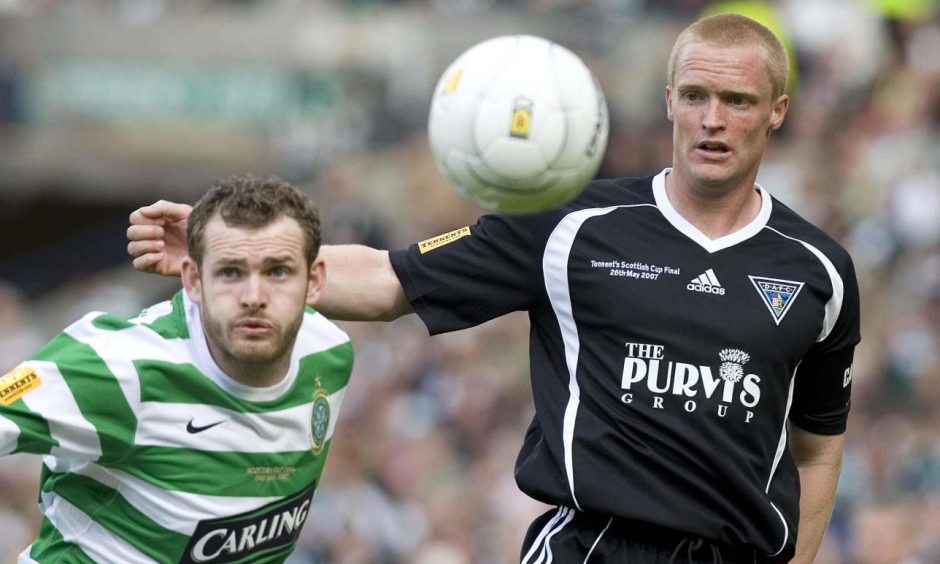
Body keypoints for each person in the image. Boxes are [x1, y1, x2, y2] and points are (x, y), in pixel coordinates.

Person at [127, 13, 860, 564]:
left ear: (778, 112)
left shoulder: (818, 272)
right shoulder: (576, 226)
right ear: (668, 102)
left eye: (735, 100)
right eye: (695, 95)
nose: (711, 120)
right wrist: (230, 246)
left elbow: (817, 451)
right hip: (590, 546)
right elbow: (388, 280)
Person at [4, 175, 353, 563]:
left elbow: (411, 274)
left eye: (277, 272)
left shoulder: (329, 352)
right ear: (192, 279)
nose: (254, 298)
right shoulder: (118, 365)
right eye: (230, 272)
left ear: (315, 281)